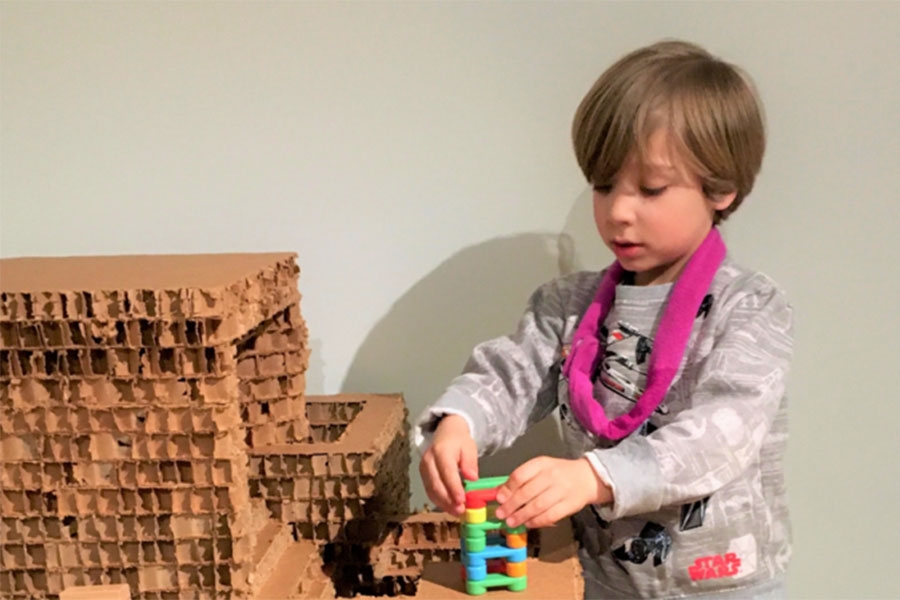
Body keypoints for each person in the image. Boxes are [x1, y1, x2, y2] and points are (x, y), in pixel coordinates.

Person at [414, 39, 793, 599]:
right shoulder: (567, 305)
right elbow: (510, 376)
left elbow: (722, 434)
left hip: (724, 585)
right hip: (601, 581)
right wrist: (459, 423)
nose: (618, 211)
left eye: (651, 189)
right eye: (603, 185)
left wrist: (593, 476)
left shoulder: (750, 306)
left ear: (721, 189)